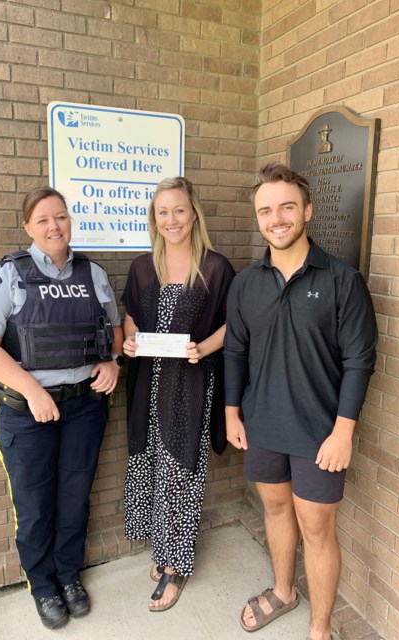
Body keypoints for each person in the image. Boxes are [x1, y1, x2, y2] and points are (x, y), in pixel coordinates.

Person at [224, 163, 378, 640]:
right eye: (266, 210)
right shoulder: (246, 283)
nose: (277, 218)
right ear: (258, 219)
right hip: (264, 425)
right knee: (274, 511)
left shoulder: (341, 280)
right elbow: (235, 350)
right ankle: (284, 591)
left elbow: (359, 360)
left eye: (287, 206)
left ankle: (319, 629)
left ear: (307, 211)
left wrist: (343, 431)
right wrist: (232, 411)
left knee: (317, 529)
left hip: (319, 433)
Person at [0, 187, 124, 630]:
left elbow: (111, 331)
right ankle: (42, 585)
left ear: (69, 221)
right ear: (28, 227)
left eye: (60, 217)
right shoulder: (8, 275)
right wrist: (32, 390)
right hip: (25, 412)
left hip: (84, 408)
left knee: (75, 499)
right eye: (43, 220)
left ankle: (69, 577)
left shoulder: (92, 273)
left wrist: (110, 362)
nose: (54, 226)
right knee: (35, 504)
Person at [121, 176, 236, 613]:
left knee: (180, 473)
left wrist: (202, 348)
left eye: (179, 210)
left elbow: (234, 324)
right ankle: (163, 550)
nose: (171, 219)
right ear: (155, 217)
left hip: (189, 384)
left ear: (193, 214)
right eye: (162, 211)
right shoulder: (142, 266)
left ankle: (176, 565)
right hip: (148, 384)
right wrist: (130, 341)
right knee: (151, 466)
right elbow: (131, 316)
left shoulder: (214, 268)